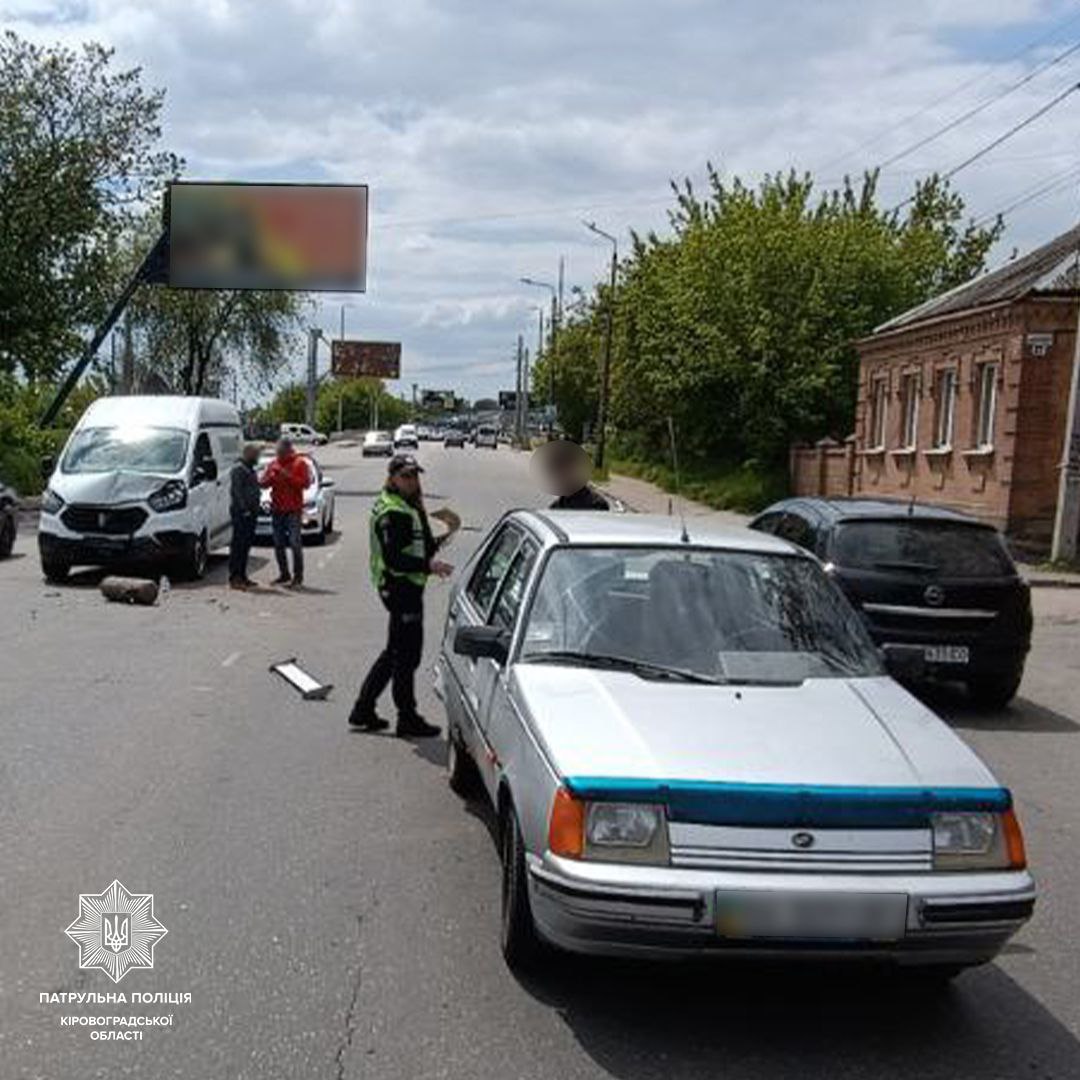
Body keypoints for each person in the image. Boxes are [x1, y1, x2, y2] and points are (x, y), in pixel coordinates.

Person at [349, 454, 453, 737]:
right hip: (399, 586)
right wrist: (429, 565)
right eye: (406, 476)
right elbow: (395, 558)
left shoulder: (406, 504)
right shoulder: (393, 510)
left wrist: (438, 541)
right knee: (406, 655)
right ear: (393, 477)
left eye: (415, 475)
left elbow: (416, 544)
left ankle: (363, 708)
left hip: (405, 585)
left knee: (395, 651)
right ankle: (406, 716)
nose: (412, 480)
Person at [259, 437, 309, 588]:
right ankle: (284, 574)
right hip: (277, 509)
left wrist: (286, 475)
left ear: (289, 450)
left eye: (281, 453)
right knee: (278, 544)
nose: (278, 456)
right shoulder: (273, 464)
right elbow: (263, 483)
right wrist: (268, 478)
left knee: (295, 543)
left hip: (293, 509)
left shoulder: (299, 463)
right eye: (277, 453)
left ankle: (298, 576)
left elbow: (305, 484)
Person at [228, 443, 262, 589]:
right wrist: (244, 509)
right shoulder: (238, 469)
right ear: (248, 454)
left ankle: (242, 575)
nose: (257, 458)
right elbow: (236, 492)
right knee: (238, 546)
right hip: (242, 513)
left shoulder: (250, 469)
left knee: (246, 546)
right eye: (255, 455)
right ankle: (235, 577)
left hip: (252, 512)